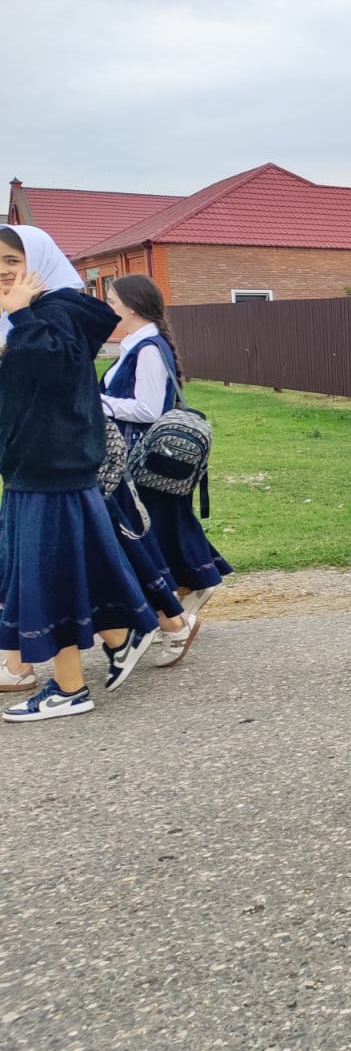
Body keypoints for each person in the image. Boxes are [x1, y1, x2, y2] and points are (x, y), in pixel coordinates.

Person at [0, 225, 160, 719]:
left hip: (50, 464)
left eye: (11, 260)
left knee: (45, 577)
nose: (3, 271)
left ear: (39, 261)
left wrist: (19, 315)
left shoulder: (54, 311)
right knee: (65, 566)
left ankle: (69, 689)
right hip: (39, 461)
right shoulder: (37, 312)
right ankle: (120, 634)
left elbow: (53, 371)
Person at [101, 273, 230, 646]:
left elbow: (149, 408)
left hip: (141, 454)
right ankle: (189, 588)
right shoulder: (138, 345)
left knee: (144, 527)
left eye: (112, 301)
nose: (109, 308)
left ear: (132, 306)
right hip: (140, 454)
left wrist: (98, 402)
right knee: (160, 524)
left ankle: (176, 602)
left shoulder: (148, 349)